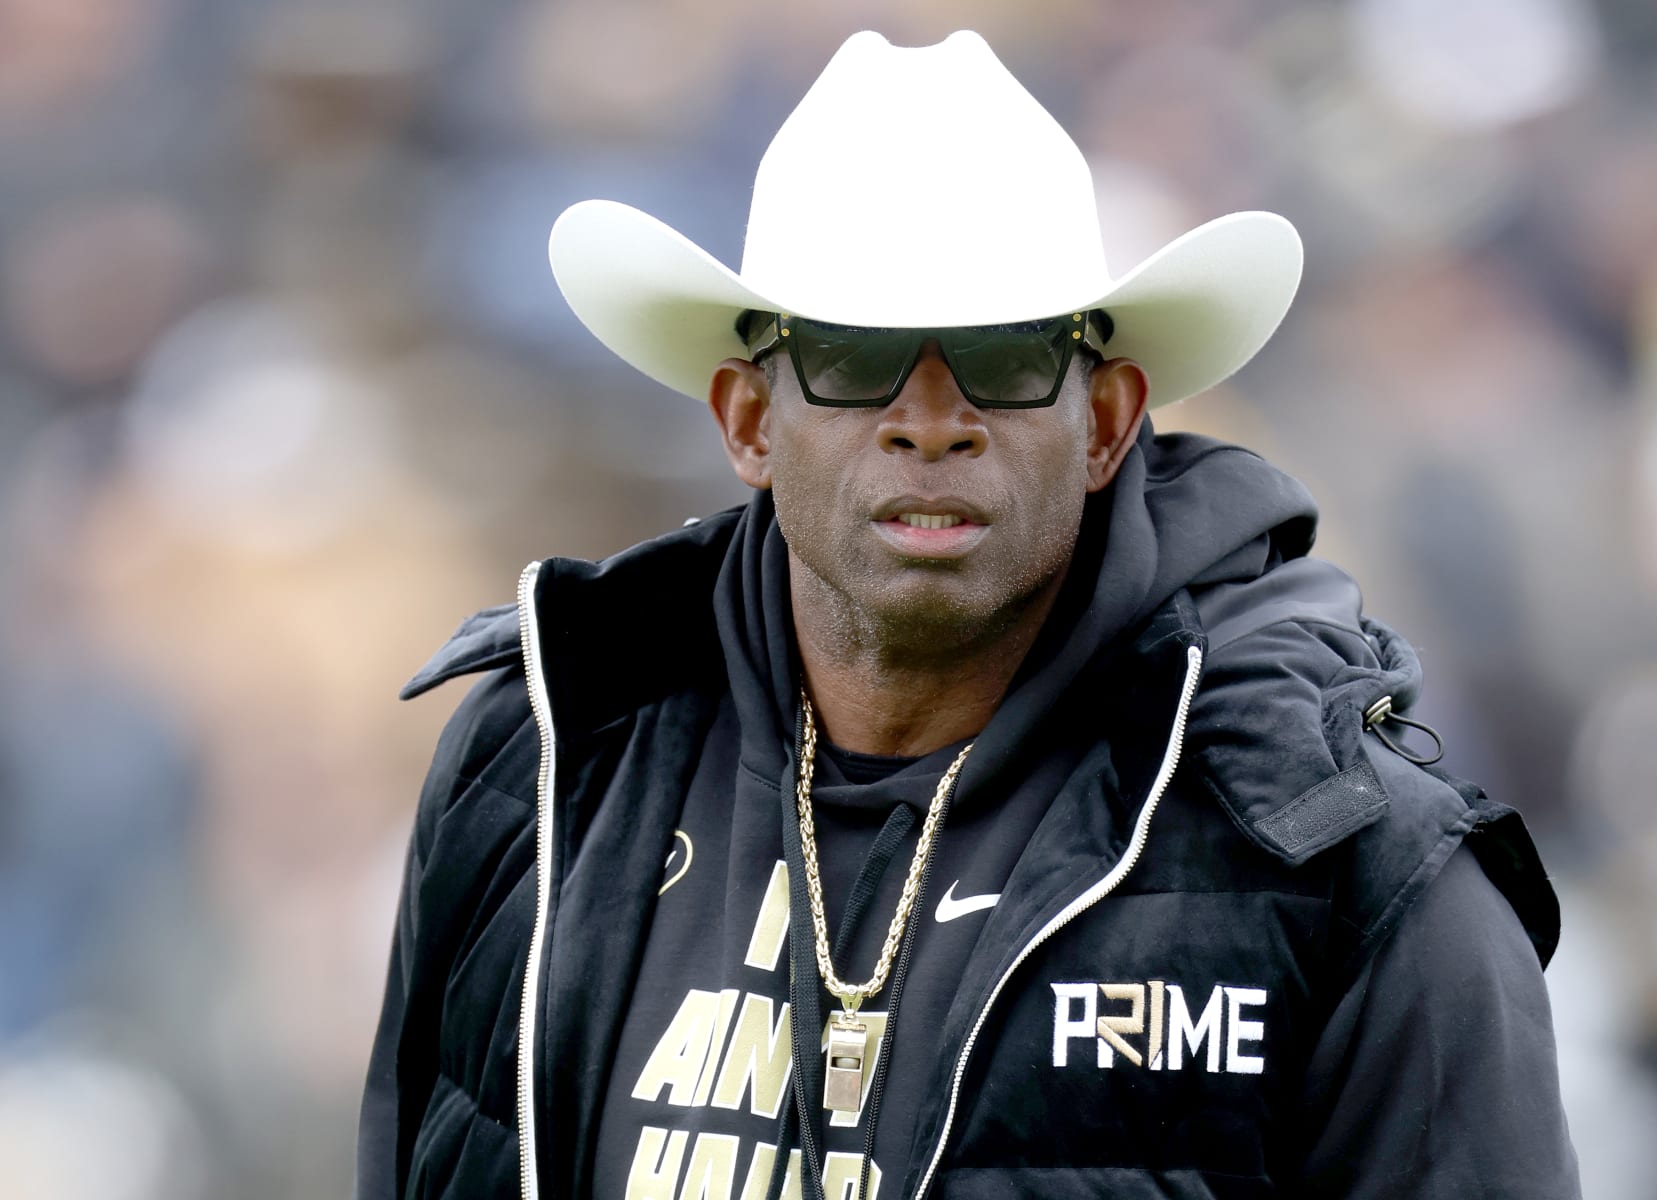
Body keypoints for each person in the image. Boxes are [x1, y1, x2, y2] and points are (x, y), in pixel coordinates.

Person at [357, 30, 1580, 1200]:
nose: (929, 416)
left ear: (1104, 425)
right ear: (745, 421)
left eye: (1000, 357)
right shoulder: (543, 767)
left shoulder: (1348, 864)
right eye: (851, 353)